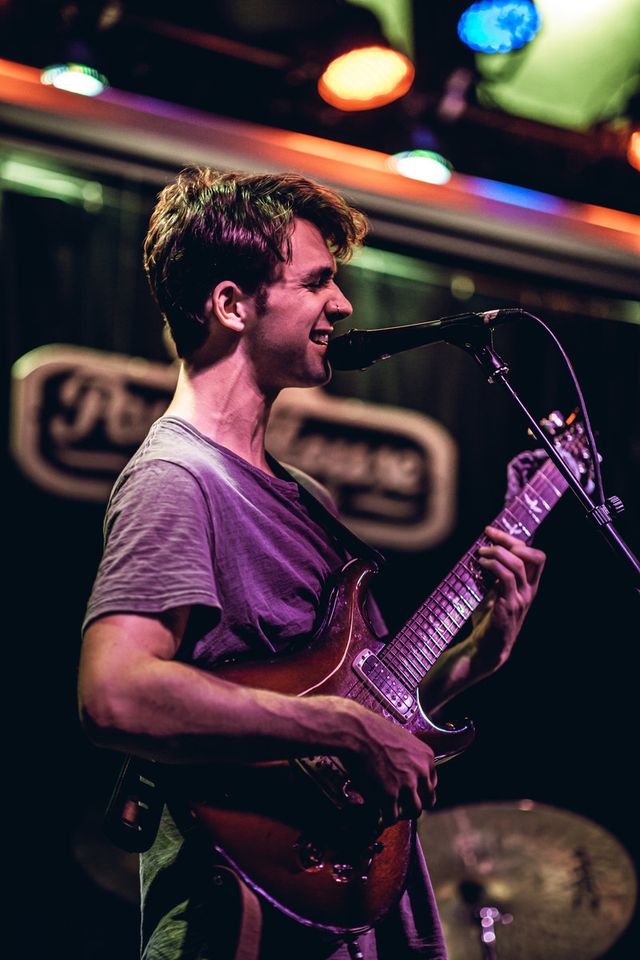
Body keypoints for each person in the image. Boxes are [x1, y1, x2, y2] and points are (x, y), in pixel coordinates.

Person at [78, 167, 546, 960]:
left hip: (347, 910)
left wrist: (478, 656)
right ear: (231, 305)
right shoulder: (177, 479)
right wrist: (342, 726)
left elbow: (369, 711)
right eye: (320, 281)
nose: (344, 306)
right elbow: (115, 691)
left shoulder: (309, 501)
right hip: (243, 920)